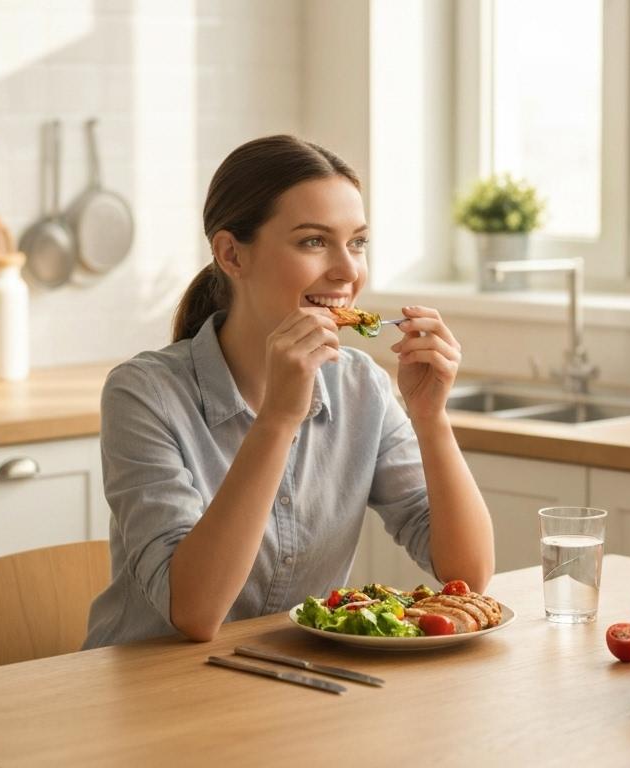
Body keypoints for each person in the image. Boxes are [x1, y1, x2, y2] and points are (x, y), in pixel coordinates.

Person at [83, 135, 495, 644]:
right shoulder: (143, 394)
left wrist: (431, 419)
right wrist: (278, 420)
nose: (348, 271)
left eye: (358, 242)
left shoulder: (361, 385)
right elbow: (193, 613)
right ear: (231, 254)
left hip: (290, 683)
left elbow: (469, 574)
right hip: (150, 691)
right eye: (314, 242)